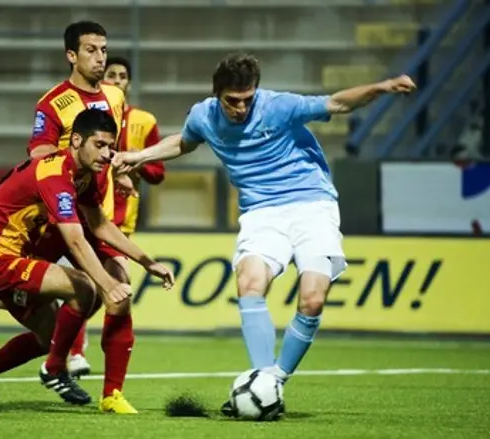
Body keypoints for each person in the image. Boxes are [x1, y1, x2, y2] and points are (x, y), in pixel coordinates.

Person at [112, 53, 417, 416]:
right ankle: (263, 378)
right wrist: (142, 155)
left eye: (247, 99)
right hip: (261, 213)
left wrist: (381, 87)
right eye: (232, 101)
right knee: (250, 282)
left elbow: (336, 102)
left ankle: (272, 380)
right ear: (217, 95)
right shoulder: (204, 115)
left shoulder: (279, 106)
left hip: (311, 205)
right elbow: (186, 141)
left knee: (313, 300)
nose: (241, 108)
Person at [0, 21, 144, 414]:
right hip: (54, 219)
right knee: (90, 289)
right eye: (91, 50)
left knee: (116, 292)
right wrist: (73, 173)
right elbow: (40, 156)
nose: (100, 58)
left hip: (90, 210)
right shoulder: (53, 103)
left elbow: (110, 153)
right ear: (72, 55)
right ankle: (45, 356)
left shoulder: (116, 98)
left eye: (104, 50)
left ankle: (111, 394)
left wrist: (115, 169)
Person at [0, 109, 174, 411]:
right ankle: (55, 369)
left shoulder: (84, 175)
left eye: (111, 146)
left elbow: (100, 225)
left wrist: (148, 262)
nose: (107, 154)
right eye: (100, 145)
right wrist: (108, 284)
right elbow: (75, 241)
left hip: (20, 255)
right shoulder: (55, 175)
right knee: (84, 288)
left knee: (49, 337)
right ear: (76, 140)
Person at [68, 56, 166, 375]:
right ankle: (72, 354)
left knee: (111, 289)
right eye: (111, 75)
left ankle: (82, 363)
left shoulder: (144, 121)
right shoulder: (81, 118)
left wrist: (134, 164)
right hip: (81, 213)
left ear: (129, 83)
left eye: (123, 76)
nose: (117, 80)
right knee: (88, 284)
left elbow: (158, 172)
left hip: (120, 219)